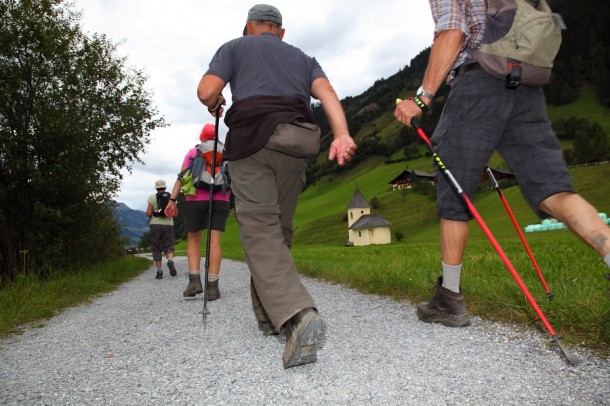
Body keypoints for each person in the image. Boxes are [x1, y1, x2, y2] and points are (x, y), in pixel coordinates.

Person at [394, 0, 610, 328]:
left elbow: (453, 31)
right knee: (552, 187)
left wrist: (422, 97)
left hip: (478, 84)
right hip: (526, 87)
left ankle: (449, 299)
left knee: (455, 192)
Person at [196, 4, 357, 368]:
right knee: (279, 232)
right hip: (297, 143)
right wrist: (342, 134)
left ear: (249, 27)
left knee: (259, 232)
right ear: (280, 32)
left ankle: (298, 314)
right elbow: (327, 92)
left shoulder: (235, 47)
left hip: (253, 143)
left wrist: (216, 100)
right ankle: (270, 315)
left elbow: (206, 91)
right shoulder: (302, 57)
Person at [165, 124, 230, 301]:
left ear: (202, 138)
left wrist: (172, 200)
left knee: (194, 238)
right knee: (214, 242)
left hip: (195, 200)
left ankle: (195, 281)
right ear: (217, 137)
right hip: (220, 199)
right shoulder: (227, 152)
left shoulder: (194, 153)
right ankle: (213, 288)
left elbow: (182, 177)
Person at [146, 179, 177, 279]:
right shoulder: (171, 198)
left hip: (155, 225)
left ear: (156, 188)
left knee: (156, 248)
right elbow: (176, 214)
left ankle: (159, 272)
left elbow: (148, 213)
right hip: (168, 224)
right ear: (165, 187)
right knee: (168, 245)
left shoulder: (152, 197)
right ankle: (170, 260)